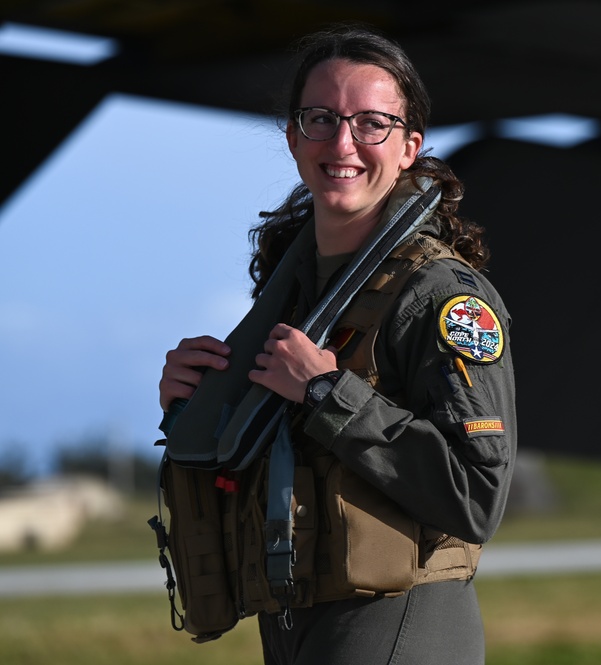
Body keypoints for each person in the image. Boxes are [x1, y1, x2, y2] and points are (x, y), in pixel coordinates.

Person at [157, 24, 516, 665]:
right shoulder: (294, 294)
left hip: (397, 622)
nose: (343, 141)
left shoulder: (441, 296)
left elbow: (478, 491)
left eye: (372, 123)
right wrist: (194, 404)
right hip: (298, 624)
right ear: (293, 137)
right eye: (321, 118)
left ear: (409, 147)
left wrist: (326, 393)